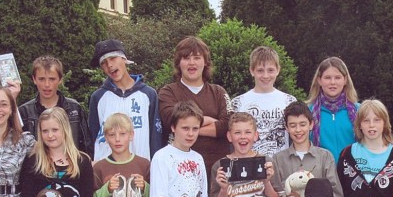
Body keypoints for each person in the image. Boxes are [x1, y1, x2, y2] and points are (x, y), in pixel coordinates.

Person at [158, 36, 233, 172]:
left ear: (205, 62)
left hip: (219, 171)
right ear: (178, 63)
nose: (192, 63)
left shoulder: (219, 92)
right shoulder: (168, 92)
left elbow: (227, 125)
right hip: (180, 170)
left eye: (197, 58)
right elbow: (170, 120)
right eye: (186, 58)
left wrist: (186, 128)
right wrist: (210, 122)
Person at [271, 101, 344, 197]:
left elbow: (336, 194)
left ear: (311, 124)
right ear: (286, 128)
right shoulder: (277, 159)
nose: (298, 130)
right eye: (293, 125)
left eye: (303, 124)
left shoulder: (325, 156)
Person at [210, 112, 280, 197]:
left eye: (248, 132)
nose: (243, 137)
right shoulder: (220, 166)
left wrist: (267, 182)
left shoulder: (267, 162)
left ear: (256, 135)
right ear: (229, 136)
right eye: (237, 133)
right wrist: (224, 189)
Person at [88, 39, 163, 161]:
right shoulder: (98, 97)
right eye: (103, 63)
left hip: (141, 168)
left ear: (124, 59)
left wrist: (154, 165)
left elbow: (156, 137)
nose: (109, 65)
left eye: (113, 58)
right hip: (107, 169)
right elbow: (92, 137)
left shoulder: (148, 94)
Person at [20, 106, 94, 197]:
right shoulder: (33, 162)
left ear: (65, 129)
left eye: (55, 130)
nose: (50, 135)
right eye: (45, 131)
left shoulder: (82, 162)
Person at [149, 101, 208, 197]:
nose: (190, 134)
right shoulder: (162, 156)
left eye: (195, 129)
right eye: (185, 128)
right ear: (173, 127)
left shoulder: (198, 158)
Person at [91, 112, 150, 197]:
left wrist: (144, 188)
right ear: (106, 138)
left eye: (122, 134)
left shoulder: (144, 164)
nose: (117, 139)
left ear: (131, 135)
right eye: (112, 135)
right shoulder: (99, 167)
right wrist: (107, 190)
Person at [231, 46, 298, 157]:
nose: (265, 76)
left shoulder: (289, 101)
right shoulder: (238, 103)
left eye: (270, 70)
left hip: (281, 164)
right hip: (248, 163)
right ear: (251, 71)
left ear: (278, 70)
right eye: (260, 70)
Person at [19, 55, 92, 155]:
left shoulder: (75, 108)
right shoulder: (25, 111)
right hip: (38, 164)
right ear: (34, 79)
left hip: (72, 163)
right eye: (41, 79)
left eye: (52, 79)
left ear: (60, 80)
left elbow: (87, 145)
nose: (47, 84)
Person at [306, 56, 360, 161]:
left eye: (337, 77)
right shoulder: (308, 112)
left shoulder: (359, 110)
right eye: (327, 78)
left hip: (354, 168)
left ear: (345, 80)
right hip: (320, 169)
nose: (332, 82)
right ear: (319, 80)